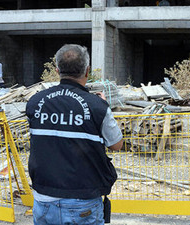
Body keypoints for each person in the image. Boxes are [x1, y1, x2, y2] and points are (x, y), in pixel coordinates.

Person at [26, 44, 123, 225]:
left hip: (44, 200)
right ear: (87, 71)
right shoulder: (97, 106)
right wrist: (103, 106)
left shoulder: (35, 102)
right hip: (83, 200)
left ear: (57, 70)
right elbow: (116, 144)